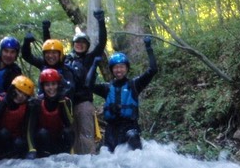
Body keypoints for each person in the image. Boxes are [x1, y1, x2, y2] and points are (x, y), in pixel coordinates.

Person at [87, 36, 157, 152]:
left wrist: (149, 48)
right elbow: (88, 85)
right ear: (112, 70)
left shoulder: (135, 85)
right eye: (116, 68)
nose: (119, 70)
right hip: (112, 130)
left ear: (127, 68)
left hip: (129, 128)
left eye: (122, 67)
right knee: (109, 157)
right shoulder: (107, 88)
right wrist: (94, 65)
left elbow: (153, 70)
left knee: (133, 137)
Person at [63, 10, 107, 155]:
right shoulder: (67, 60)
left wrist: (101, 22)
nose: (80, 45)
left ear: (87, 45)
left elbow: (102, 43)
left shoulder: (90, 58)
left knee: (86, 136)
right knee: (72, 136)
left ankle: (91, 162)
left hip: (84, 103)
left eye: (83, 43)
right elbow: (49, 59)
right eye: (77, 43)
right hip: (69, 103)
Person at [26, 68, 74, 158]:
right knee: (42, 133)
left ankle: (66, 158)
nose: (51, 88)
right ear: (43, 87)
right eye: (47, 85)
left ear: (58, 85)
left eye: (53, 84)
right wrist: (31, 149)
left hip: (59, 142)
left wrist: (62, 102)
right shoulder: (37, 103)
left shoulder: (66, 101)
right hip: (43, 142)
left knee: (67, 132)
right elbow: (30, 129)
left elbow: (70, 124)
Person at [21, 23, 76, 99]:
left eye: (54, 53)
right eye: (47, 53)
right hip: (43, 104)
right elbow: (27, 56)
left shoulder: (66, 68)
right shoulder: (43, 64)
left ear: (60, 54)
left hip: (61, 105)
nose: (50, 56)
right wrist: (26, 43)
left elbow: (70, 89)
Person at [0, 75, 35, 160]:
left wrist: (32, 150)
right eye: (19, 91)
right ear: (12, 89)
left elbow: (28, 129)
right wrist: (6, 100)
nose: (21, 96)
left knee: (20, 143)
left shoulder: (28, 106)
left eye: (25, 95)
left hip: (13, 142)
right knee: (4, 133)